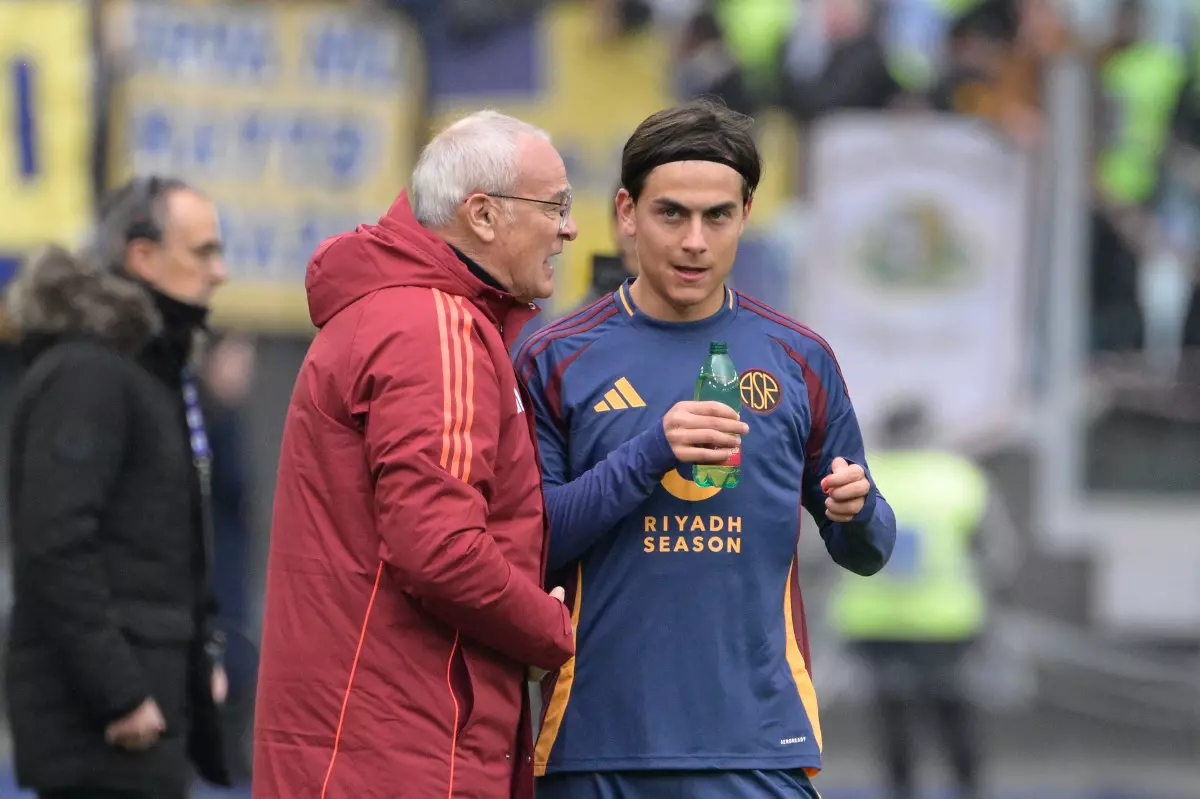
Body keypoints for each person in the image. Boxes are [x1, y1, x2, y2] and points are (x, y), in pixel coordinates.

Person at [515, 98, 897, 799]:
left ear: (745, 215)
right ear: (628, 213)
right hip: (596, 744)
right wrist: (651, 451)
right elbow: (528, 543)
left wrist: (860, 509)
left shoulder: (800, 358)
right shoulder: (553, 358)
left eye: (717, 216)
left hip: (757, 748)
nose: (695, 240)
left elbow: (867, 552)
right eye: (672, 214)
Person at [253, 110, 579, 799]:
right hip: (407, 756)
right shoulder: (436, 325)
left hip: (369, 749)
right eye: (555, 206)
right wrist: (555, 630)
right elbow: (440, 550)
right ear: (482, 215)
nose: (569, 229)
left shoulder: (398, 313)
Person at [4, 175, 231, 799]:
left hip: (148, 711)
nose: (220, 273)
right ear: (142, 256)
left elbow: (166, 545)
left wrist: (198, 662)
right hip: (106, 728)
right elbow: (55, 545)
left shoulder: (150, 373)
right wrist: (120, 693)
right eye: (204, 252)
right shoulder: (87, 374)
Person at [829, 401, 1019, 799]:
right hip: (946, 621)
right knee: (954, 715)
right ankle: (968, 787)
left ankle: (901, 789)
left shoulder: (854, 475)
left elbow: (821, 551)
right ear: (928, 430)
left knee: (892, 721)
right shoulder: (959, 477)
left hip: (872, 621)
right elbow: (1000, 556)